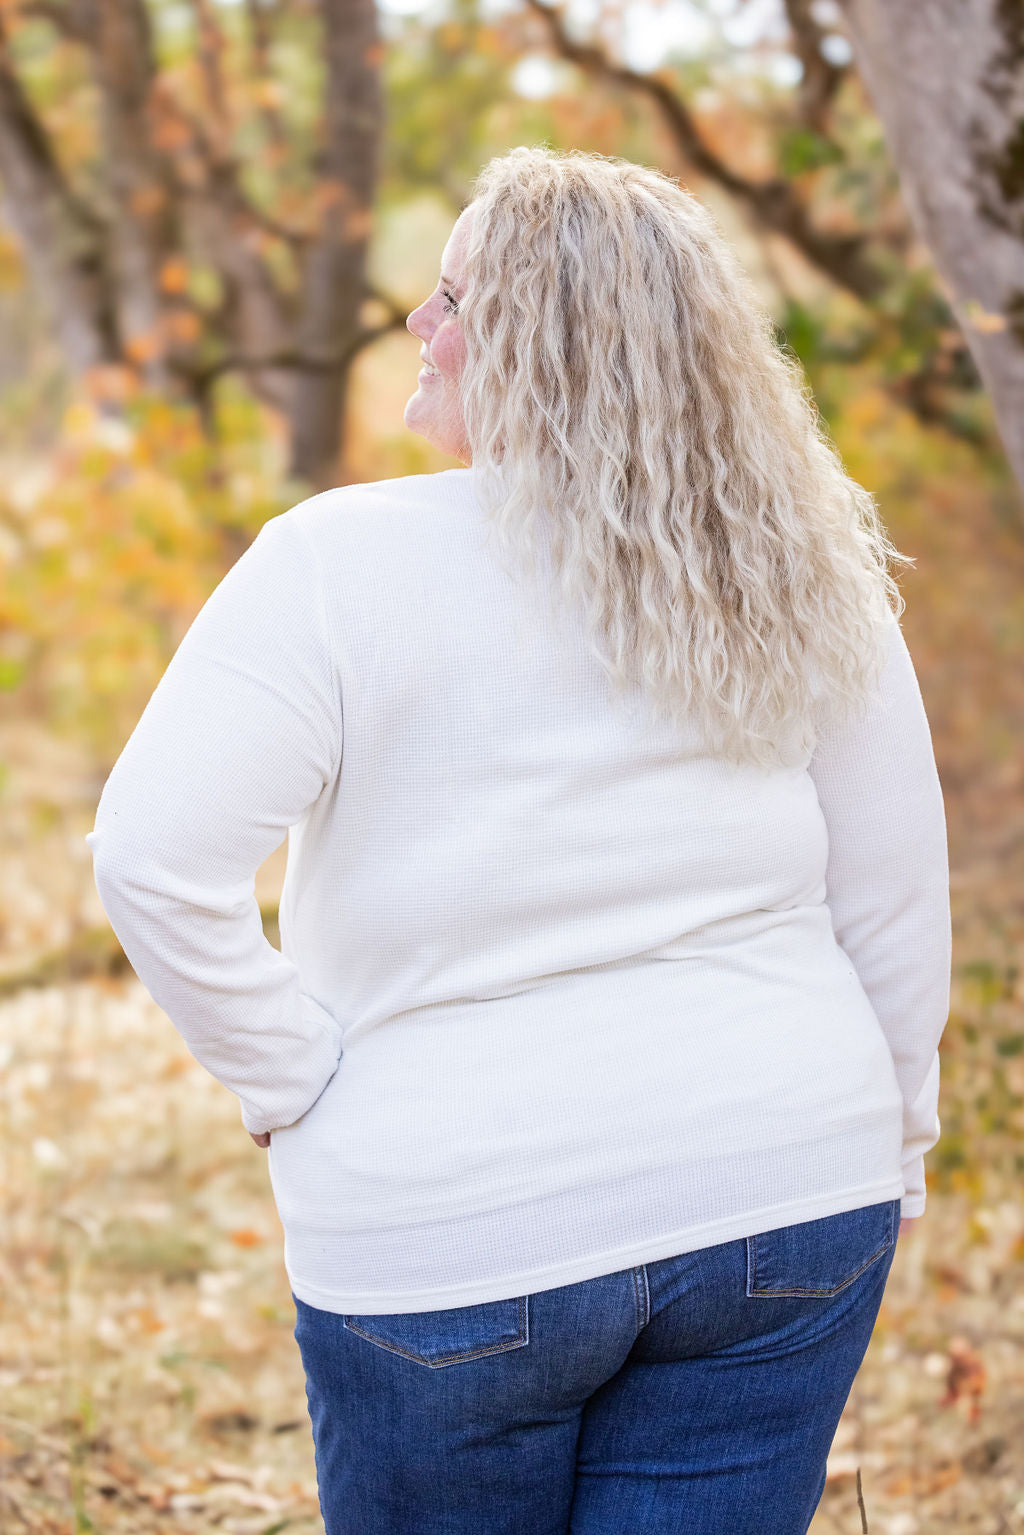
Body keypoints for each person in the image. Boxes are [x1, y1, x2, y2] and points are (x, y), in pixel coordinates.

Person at [85, 146, 951, 1534]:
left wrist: (290, 1077)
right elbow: (897, 901)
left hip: (452, 1238)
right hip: (786, 1199)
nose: (421, 329)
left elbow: (148, 859)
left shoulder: (333, 565)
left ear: (558, 343)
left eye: (455, 298)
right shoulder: (799, 562)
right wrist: (892, 1147)